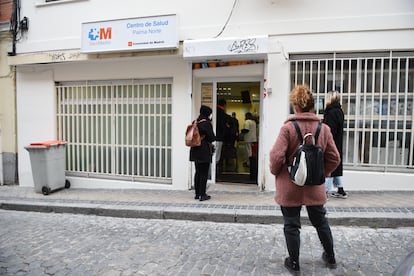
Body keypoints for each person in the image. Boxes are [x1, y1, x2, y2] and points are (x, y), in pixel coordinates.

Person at [269, 84, 340, 274]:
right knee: (320, 222)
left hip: (290, 186)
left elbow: (276, 157)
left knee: (291, 225)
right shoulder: (323, 129)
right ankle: (331, 256)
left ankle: (294, 263)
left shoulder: (288, 129)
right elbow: (334, 158)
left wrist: (277, 172)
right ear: (312, 105)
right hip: (314, 187)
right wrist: (322, 174)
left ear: (296, 106)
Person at [323, 91, 348, 199]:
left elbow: (329, 130)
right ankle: (341, 190)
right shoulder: (339, 111)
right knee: (336, 166)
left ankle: (325, 192)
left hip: (331, 142)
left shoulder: (331, 112)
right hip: (337, 142)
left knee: (329, 167)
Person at [189, 105, 216, 201]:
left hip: (195, 149)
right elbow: (212, 138)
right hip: (204, 150)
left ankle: (197, 193)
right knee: (204, 173)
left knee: (198, 172)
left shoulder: (195, 122)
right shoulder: (206, 123)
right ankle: (202, 194)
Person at [215, 99, 232, 165]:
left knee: (213, 155)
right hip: (219, 137)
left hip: (213, 137)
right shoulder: (223, 115)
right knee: (217, 156)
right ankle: (214, 172)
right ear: (224, 105)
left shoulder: (214, 112)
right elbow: (224, 127)